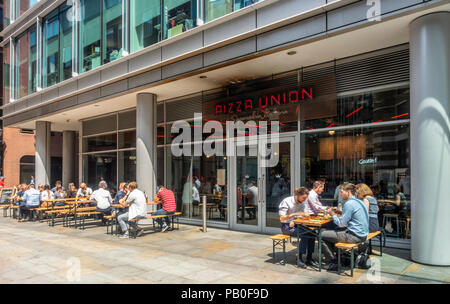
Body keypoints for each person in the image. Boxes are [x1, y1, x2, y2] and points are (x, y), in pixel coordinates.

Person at [321, 183, 369, 271]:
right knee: (332, 233)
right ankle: (339, 257)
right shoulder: (359, 201)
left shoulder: (349, 203)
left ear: (348, 192)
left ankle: (333, 262)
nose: (340, 194)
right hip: (363, 235)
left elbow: (341, 223)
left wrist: (333, 214)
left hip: (354, 236)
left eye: (342, 192)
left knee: (321, 234)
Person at [279, 187, 317, 269]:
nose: (304, 199)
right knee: (304, 234)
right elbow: (282, 218)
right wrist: (293, 215)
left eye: (306, 198)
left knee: (312, 233)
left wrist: (295, 220)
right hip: (286, 226)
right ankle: (299, 258)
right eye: (303, 197)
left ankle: (309, 258)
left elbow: (305, 214)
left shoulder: (303, 202)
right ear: (297, 195)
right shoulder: (286, 201)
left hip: (296, 224)